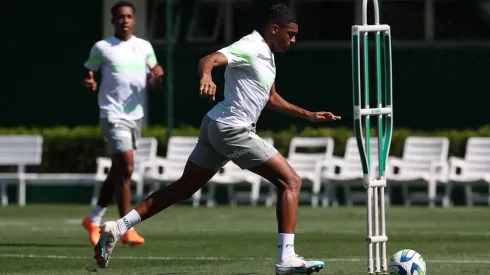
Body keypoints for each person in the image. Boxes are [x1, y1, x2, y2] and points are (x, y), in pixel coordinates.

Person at [93, 3, 340, 274]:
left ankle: (118, 227)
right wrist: (207, 77)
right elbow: (208, 59)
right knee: (290, 181)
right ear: (274, 28)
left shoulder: (268, 55)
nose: (293, 40)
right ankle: (287, 258)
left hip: (216, 125)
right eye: (290, 34)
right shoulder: (251, 45)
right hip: (232, 129)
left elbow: (270, 98)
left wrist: (309, 115)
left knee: (183, 188)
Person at [81, 1, 164, 246]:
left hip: (135, 116)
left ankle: (93, 219)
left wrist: (157, 75)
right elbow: (89, 71)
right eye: (120, 17)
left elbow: (155, 72)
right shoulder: (102, 47)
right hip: (112, 114)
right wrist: (89, 83)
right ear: (113, 20)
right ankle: (125, 228)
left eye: (128, 16)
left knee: (118, 170)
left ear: (134, 20)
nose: (125, 20)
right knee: (127, 167)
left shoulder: (144, 46)